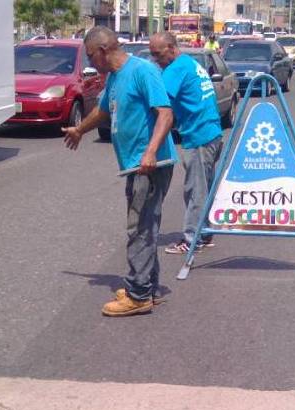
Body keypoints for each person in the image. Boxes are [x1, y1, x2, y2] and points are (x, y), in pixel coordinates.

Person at [62, 26, 176, 317]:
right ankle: (147, 286)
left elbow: (165, 113)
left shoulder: (143, 71)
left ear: (102, 51)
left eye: (90, 56)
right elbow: (102, 111)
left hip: (149, 165)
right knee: (145, 225)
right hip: (134, 165)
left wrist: (150, 152)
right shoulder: (114, 78)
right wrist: (79, 129)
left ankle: (138, 296)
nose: (90, 63)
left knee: (139, 227)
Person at [149, 32, 223, 255]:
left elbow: (161, 104)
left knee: (195, 190)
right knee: (205, 187)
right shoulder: (189, 63)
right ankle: (205, 232)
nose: (155, 59)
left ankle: (192, 239)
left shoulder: (175, 70)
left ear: (172, 48)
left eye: (158, 54)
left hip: (199, 135)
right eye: (152, 55)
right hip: (211, 131)